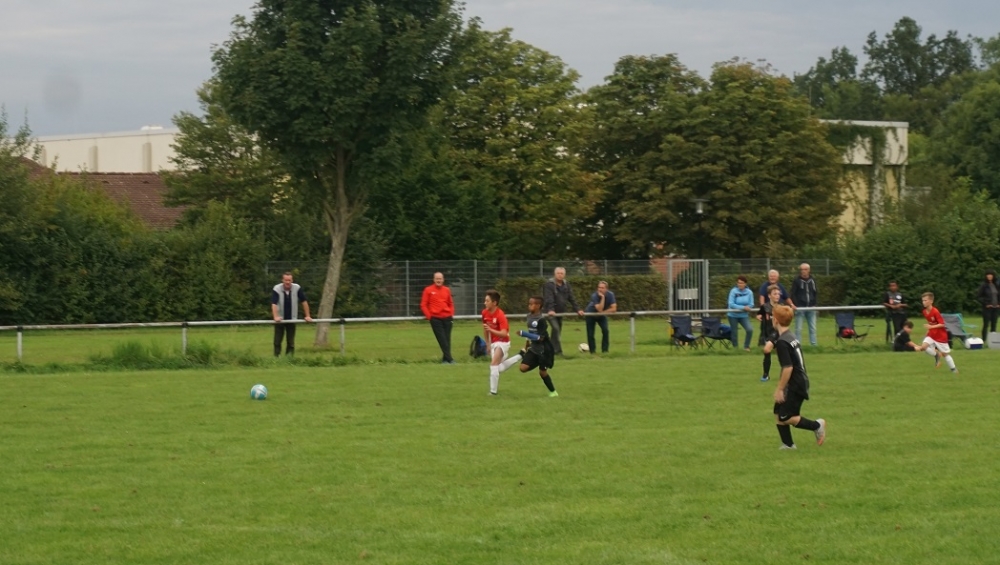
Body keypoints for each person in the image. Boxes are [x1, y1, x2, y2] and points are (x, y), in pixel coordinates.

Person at [771, 304, 826, 450]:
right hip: (797, 381)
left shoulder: (782, 342)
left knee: (786, 417)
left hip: (795, 384)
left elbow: (788, 368)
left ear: (775, 320)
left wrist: (780, 389)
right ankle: (788, 445)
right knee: (778, 411)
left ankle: (817, 425)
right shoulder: (790, 336)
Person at [514, 296, 559, 397]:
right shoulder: (529, 316)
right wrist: (527, 344)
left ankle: (553, 392)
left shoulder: (541, 320)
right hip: (534, 348)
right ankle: (538, 361)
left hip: (544, 350)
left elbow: (541, 338)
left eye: (531, 304)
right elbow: (531, 332)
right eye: (529, 304)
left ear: (538, 306)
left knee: (542, 373)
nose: (529, 306)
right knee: (523, 368)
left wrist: (523, 333)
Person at [482, 289, 522, 395]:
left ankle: (493, 392)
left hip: (503, 342)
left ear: (494, 303)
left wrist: (491, 330)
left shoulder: (500, 315)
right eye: (485, 301)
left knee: (493, 364)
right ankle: (520, 356)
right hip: (493, 343)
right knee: (498, 368)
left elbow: (504, 333)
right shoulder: (484, 313)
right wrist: (487, 343)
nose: (485, 303)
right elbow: (485, 329)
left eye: (487, 301)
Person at [542, 267, 585, 356]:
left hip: (560, 312)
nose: (560, 275)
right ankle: (558, 351)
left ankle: (551, 351)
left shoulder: (566, 285)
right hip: (550, 312)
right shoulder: (549, 285)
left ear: (564, 275)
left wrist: (578, 309)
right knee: (556, 329)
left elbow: (571, 298)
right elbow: (549, 298)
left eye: (562, 273)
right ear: (554, 274)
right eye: (558, 273)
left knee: (557, 332)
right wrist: (551, 309)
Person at [271, 272, 313, 356]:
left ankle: (289, 359)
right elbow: (274, 304)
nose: (287, 282)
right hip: (280, 319)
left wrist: (307, 316)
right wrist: (276, 317)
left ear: (292, 280)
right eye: (286, 280)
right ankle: (276, 359)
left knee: (291, 342)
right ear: (282, 280)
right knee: (277, 341)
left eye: (289, 280)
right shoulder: (277, 288)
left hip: (292, 319)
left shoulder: (297, 288)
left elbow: (304, 301)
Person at [420, 272, 456, 364]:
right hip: (435, 318)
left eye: (440, 279)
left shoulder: (447, 290)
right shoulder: (428, 290)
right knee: (442, 339)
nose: (438, 280)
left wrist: (451, 314)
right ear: (434, 279)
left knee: (447, 339)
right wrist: (430, 317)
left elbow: (450, 303)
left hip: (447, 318)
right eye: (437, 278)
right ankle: (450, 359)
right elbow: (423, 305)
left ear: (443, 280)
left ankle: (445, 360)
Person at [920, 292, 958, 374]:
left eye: (925, 300)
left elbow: (942, 324)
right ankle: (936, 355)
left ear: (931, 301)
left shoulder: (935, 311)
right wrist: (928, 331)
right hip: (932, 334)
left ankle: (953, 369)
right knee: (923, 347)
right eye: (923, 300)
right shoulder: (924, 311)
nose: (923, 302)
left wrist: (931, 327)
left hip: (940, 336)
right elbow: (930, 323)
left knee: (945, 354)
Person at [756, 285, 782, 382]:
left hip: (777, 333)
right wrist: (758, 316)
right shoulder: (764, 307)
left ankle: (765, 376)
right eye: (775, 294)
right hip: (767, 333)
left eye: (778, 294)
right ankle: (766, 375)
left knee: (767, 350)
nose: (777, 296)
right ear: (769, 295)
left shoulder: (781, 307)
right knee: (776, 354)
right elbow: (759, 314)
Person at [584, 281, 617, 354]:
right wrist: (602, 298)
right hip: (591, 314)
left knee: (605, 330)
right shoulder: (594, 295)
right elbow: (599, 309)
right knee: (590, 333)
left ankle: (605, 351)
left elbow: (614, 309)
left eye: (602, 288)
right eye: (599, 287)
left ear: (606, 289)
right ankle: (592, 351)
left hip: (601, 315)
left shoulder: (611, 295)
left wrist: (603, 313)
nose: (600, 289)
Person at [791, 263, 818, 346]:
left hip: (811, 307)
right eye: (802, 269)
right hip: (800, 308)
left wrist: (815, 303)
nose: (803, 271)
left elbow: (815, 292)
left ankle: (814, 345)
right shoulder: (796, 281)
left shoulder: (813, 280)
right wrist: (796, 304)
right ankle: (798, 345)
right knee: (798, 329)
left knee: (813, 328)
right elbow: (793, 293)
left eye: (805, 269)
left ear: (809, 270)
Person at [727, 275, 755, 351]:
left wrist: (748, 307)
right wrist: (743, 307)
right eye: (738, 283)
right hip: (733, 315)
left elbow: (751, 304)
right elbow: (731, 304)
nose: (740, 284)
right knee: (734, 332)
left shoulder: (749, 292)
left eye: (742, 283)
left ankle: (746, 346)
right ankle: (735, 349)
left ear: (745, 284)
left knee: (749, 329)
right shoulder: (733, 291)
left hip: (744, 315)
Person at [977, 269, 999, 341]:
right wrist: (986, 303)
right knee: (986, 324)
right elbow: (979, 296)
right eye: (988, 275)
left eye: (991, 275)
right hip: (987, 308)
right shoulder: (984, 285)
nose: (989, 276)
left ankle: (993, 340)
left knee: (994, 324)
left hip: (996, 308)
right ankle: (984, 340)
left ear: (993, 276)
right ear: (986, 276)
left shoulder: (996, 285)